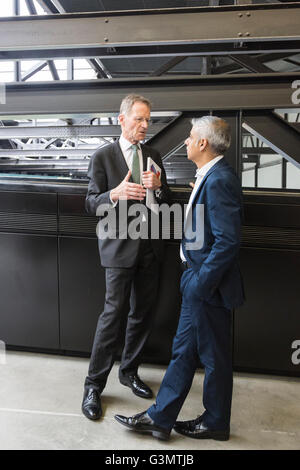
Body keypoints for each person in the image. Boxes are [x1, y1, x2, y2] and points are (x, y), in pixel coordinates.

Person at [114, 115, 245, 441]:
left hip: (207, 286)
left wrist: (201, 283)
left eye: (189, 137)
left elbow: (228, 242)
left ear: (203, 143)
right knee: (183, 352)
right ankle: (161, 418)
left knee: (214, 358)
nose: (185, 141)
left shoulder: (219, 180)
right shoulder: (208, 176)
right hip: (197, 282)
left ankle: (215, 422)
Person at [81, 94, 172, 420]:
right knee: (113, 316)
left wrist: (159, 186)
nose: (145, 125)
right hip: (119, 249)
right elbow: (91, 203)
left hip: (150, 248)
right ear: (122, 119)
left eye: (148, 119)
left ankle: (129, 371)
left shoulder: (153, 154)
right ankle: (93, 385)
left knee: (142, 314)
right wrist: (114, 195)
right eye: (139, 119)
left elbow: (166, 200)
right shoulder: (103, 156)